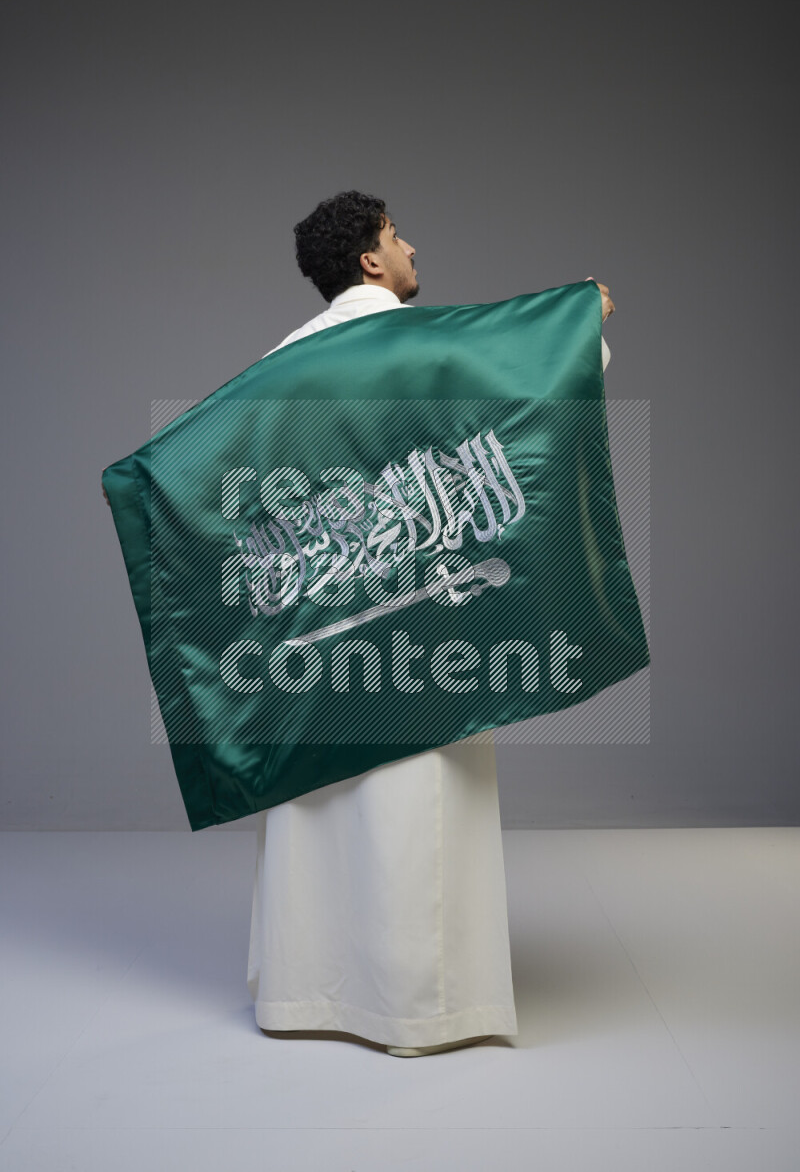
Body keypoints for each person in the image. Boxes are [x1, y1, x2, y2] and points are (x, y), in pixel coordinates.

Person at [103, 190, 614, 1057]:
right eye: (397, 234)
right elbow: (525, 377)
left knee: (317, 811)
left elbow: (211, 487)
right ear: (372, 260)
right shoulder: (421, 344)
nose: (415, 245)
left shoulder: (279, 365)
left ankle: (306, 995)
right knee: (421, 808)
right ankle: (424, 1007)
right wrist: (582, 316)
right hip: (420, 624)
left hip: (321, 638)